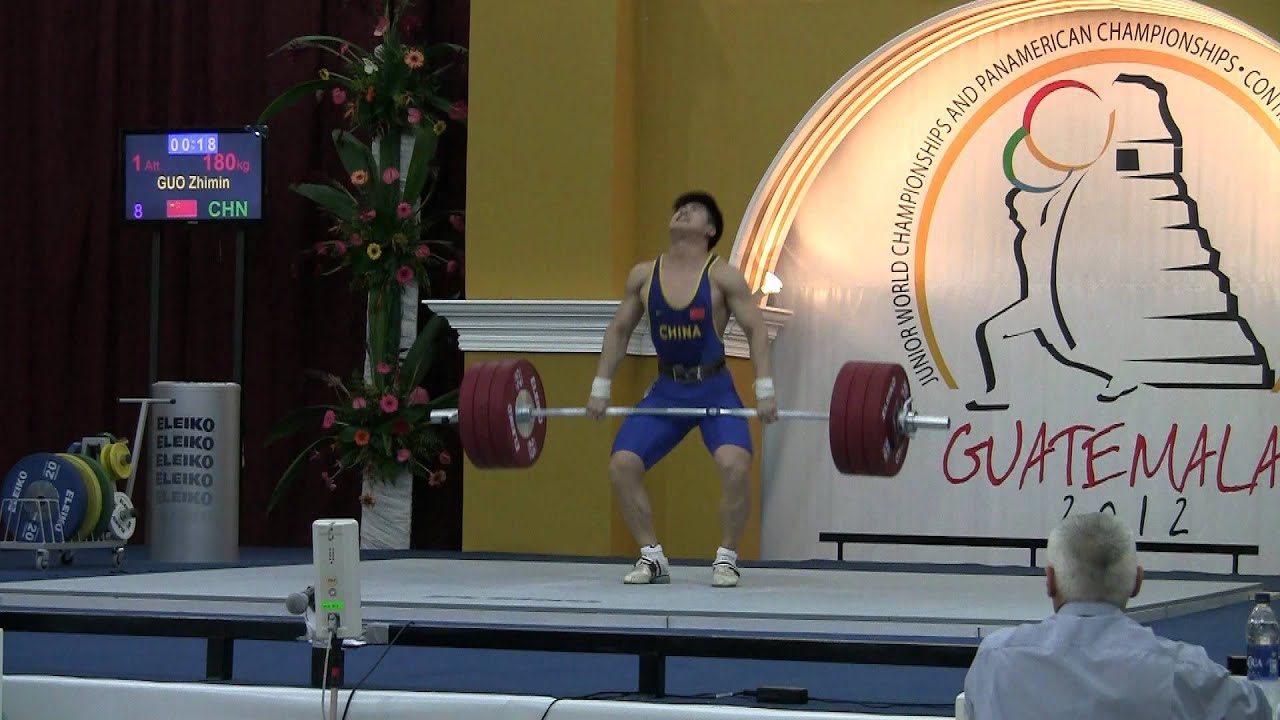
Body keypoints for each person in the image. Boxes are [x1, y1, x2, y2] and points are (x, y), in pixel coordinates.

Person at [587, 191, 777, 588]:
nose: (682, 211)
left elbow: (756, 328)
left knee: (735, 465)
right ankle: (652, 557)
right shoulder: (643, 275)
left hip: (715, 391)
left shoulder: (722, 276)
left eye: (693, 210)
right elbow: (619, 330)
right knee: (622, 465)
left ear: (710, 230)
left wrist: (764, 389)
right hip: (667, 391)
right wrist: (601, 385)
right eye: (678, 208)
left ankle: (726, 558)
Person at [962, 512, 1271, 720]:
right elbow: (1258, 710)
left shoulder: (995, 661)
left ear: (1051, 581)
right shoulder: (1181, 672)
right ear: (1137, 582)